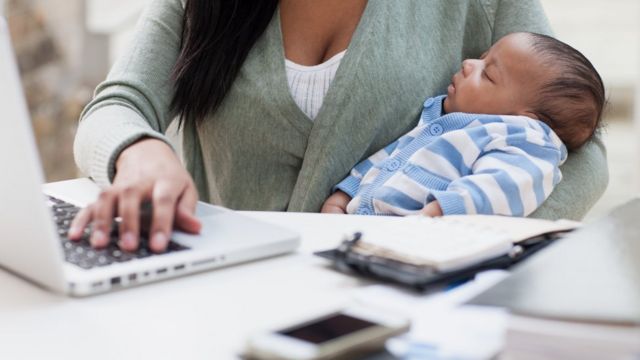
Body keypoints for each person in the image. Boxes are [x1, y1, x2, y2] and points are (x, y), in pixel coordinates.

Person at [69, 0, 608, 253]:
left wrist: (455, 245)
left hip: (393, 314)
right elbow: (119, 104)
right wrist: (139, 151)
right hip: (215, 296)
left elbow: (581, 152)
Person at [321, 32, 605, 217]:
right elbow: (390, 156)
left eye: (488, 74)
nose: (468, 64)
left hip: (420, 243)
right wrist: (345, 194)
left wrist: (443, 211)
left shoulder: (525, 138)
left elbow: (505, 185)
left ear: (526, 118)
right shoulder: (439, 121)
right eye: (481, 58)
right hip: (361, 231)